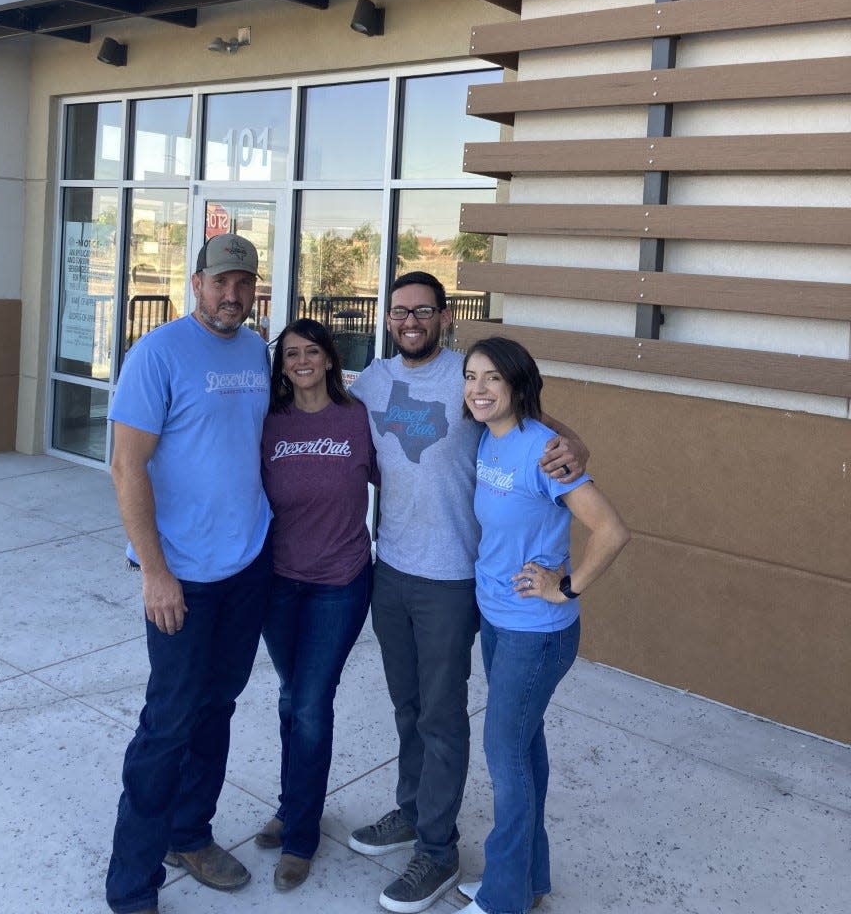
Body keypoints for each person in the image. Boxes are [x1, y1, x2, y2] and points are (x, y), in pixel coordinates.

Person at [348, 272, 589, 914]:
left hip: (453, 580)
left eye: (423, 310)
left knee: (442, 715)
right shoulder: (373, 380)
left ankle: (438, 848)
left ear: (445, 316)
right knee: (407, 707)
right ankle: (412, 811)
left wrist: (574, 445)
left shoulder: (470, 375)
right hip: (390, 568)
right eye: (400, 311)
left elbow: (534, 421)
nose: (410, 320)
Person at [105, 233, 272, 914]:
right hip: (182, 576)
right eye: (221, 281)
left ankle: (190, 833)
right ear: (197, 283)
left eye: (244, 283)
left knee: (217, 707)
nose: (232, 295)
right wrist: (155, 572)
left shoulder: (260, 351)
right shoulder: (158, 353)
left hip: (246, 567)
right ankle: (131, 882)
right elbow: (126, 466)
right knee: (167, 723)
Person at [457, 336, 630, 914]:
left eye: (492, 379)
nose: (478, 390)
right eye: (471, 377)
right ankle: (527, 879)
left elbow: (611, 530)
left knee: (504, 754)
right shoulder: (488, 438)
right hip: (498, 621)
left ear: (517, 387)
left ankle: (503, 897)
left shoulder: (544, 452)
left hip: (538, 630)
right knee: (523, 750)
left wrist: (568, 585)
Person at [253, 318, 378, 891]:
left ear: (331, 359)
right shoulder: (268, 423)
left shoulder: (359, 418)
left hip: (340, 582)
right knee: (290, 698)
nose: (301, 361)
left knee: (308, 702)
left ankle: (301, 835)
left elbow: (407, 475)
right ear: (282, 366)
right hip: (278, 582)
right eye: (291, 354)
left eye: (312, 352)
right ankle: (292, 804)